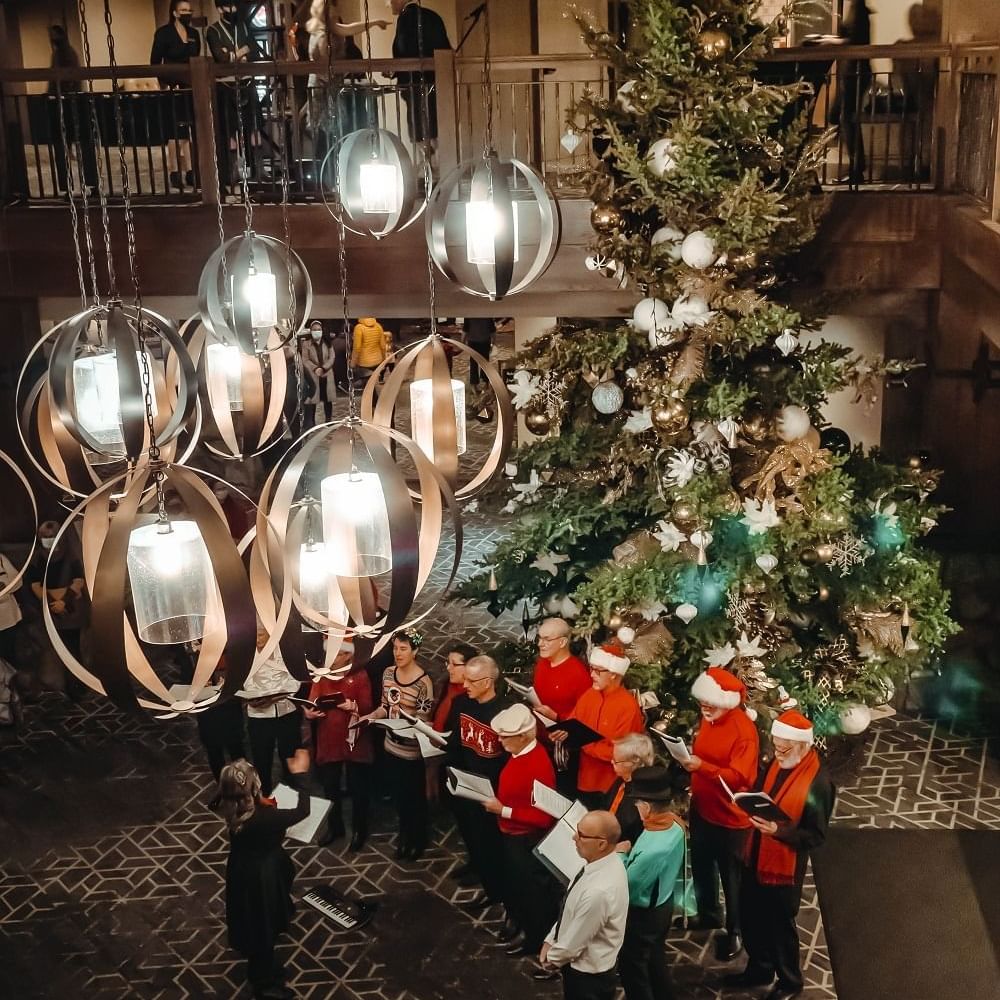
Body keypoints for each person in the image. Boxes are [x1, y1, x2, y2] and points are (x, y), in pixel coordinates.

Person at [724, 711, 835, 1000]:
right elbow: (763, 793)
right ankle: (759, 968)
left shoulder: (819, 783)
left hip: (783, 866)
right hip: (755, 854)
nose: (778, 752)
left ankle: (790, 982)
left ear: (803, 746)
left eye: (784, 748)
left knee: (779, 927)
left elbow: (816, 836)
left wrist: (778, 830)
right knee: (750, 917)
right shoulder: (776, 762)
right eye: (775, 745)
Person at [680, 667, 760, 960]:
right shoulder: (709, 717)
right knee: (702, 867)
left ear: (725, 702)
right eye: (702, 703)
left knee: (732, 879)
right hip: (703, 807)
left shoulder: (743, 733)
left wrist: (702, 767)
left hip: (730, 818)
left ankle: (736, 932)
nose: (704, 709)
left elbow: (741, 778)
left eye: (709, 704)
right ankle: (709, 913)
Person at [219, 751, 311, 1000]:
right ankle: (264, 982)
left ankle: (262, 964)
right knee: (263, 925)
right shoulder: (264, 818)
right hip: (262, 876)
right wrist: (301, 775)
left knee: (254, 919)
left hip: (242, 869)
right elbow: (303, 810)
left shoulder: (230, 804)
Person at [482, 703, 560, 959]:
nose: (500, 739)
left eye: (506, 736)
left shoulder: (538, 765)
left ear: (525, 736)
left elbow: (543, 817)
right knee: (518, 890)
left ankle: (536, 941)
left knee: (533, 896)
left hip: (526, 841)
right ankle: (524, 929)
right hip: (512, 837)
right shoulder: (518, 754)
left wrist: (503, 811)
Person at [537, 810, 630, 999]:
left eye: (581, 834)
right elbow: (571, 909)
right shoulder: (599, 862)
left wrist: (552, 959)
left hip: (588, 977)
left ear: (602, 843)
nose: (574, 837)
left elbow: (575, 941)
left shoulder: (599, 891)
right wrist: (551, 938)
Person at [361, 630, 435, 860]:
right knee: (400, 797)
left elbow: (423, 720)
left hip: (411, 752)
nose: (398, 653)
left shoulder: (424, 683)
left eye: (403, 649)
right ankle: (404, 835)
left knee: (414, 797)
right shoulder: (388, 674)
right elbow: (385, 704)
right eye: (395, 648)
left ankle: (417, 839)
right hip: (390, 747)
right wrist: (373, 716)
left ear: (415, 651)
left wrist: (405, 728)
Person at [444, 654, 511, 910]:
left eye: (471, 681)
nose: (465, 686)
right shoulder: (461, 703)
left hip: (492, 792)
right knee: (470, 835)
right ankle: (478, 870)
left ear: (487, 682)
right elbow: (455, 741)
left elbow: (508, 758)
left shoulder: (504, 711)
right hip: (463, 784)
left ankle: (496, 889)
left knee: (491, 844)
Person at [617, 766, 686, 1000]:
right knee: (655, 960)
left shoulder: (653, 848)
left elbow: (627, 886)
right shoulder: (675, 823)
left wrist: (621, 854)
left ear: (645, 807)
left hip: (645, 913)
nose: (636, 808)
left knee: (633, 968)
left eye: (637, 804)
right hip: (664, 902)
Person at [303, 640, 375, 850]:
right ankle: (335, 828)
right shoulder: (322, 674)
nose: (330, 658)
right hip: (329, 740)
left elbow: (368, 706)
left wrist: (353, 706)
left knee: (358, 788)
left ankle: (360, 830)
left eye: (335, 654)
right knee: (330, 787)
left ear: (347, 656)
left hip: (354, 741)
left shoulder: (360, 676)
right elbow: (312, 700)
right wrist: (309, 712)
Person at [555, 641, 644, 806]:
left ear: (613, 674)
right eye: (591, 669)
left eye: (597, 671)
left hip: (609, 786)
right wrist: (562, 730)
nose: (592, 675)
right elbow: (573, 721)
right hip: (584, 779)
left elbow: (623, 754)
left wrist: (586, 746)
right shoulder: (590, 694)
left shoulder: (628, 708)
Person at [304, 2, 388, 159]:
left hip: (328, 85)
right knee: (329, 129)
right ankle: (330, 170)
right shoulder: (322, 34)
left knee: (331, 129)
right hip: (325, 86)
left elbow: (350, 28)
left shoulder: (323, 30)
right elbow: (324, 62)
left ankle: (331, 169)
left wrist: (374, 23)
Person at [25, 520, 88, 700]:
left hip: (72, 609)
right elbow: (35, 586)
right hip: (52, 611)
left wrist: (65, 600)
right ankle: (70, 686)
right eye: (45, 538)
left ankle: (79, 685)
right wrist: (54, 603)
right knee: (62, 650)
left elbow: (78, 581)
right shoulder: (37, 559)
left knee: (74, 648)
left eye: (51, 537)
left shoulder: (70, 555)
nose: (49, 540)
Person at [206, 1, 263, 189]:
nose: (233, 10)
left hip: (247, 82)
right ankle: (232, 170)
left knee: (254, 125)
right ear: (220, 9)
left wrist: (234, 54)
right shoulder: (213, 31)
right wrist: (241, 52)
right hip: (226, 85)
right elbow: (221, 57)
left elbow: (254, 50)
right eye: (229, 7)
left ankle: (258, 167)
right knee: (230, 130)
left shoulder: (242, 26)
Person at [532, 617, 591, 796]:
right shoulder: (542, 663)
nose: (540, 644)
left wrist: (556, 717)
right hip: (542, 739)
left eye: (547, 639)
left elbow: (585, 719)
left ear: (563, 642)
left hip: (564, 749)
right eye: (539, 638)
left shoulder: (578, 674)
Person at [241, 628, 304, 797]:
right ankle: (265, 797)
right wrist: (259, 698)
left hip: (286, 713)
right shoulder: (247, 654)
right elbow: (246, 682)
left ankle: (293, 793)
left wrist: (273, 697)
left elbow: (295, 680)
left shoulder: (285, 651)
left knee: (289, 755)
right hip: (259, 716)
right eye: (254, 635)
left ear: (271, 632)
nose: (257, 639)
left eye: (260, 635)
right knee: (262, 759)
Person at [150, 0, 201, 189]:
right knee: (175, 134)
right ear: (175, 13)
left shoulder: (194, 34)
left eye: (189, 10)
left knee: (188, 133)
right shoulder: (164, 33)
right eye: (183, 10)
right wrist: (164, 84)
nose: (187, 13)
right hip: (172, 87)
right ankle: (174, 171)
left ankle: (189, 171)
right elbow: (155, 61)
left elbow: (196, 58)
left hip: (189, 86)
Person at [389, 0, 452, 150]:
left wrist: (395, 69)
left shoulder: (405, 18)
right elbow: (445, 48)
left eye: (391, 0)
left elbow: (404, 49)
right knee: (436, 123)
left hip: (414, 82)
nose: (389, 4)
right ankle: (440, 165)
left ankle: (426, 165)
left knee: (418, 126)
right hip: (437, 80)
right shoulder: (432, 16)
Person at [46, 25, 99, 196]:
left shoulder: (64, 53)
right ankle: (80, 185)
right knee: (73, 144)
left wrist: (53, 95)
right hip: (68, 102)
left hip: (68, 102)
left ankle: (77, 185)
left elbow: (63, 79)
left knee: (76, 144)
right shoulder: (63, 53)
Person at [829, 0, 873, 184]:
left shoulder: (858, 10)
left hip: (855, 72)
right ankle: (856, 167)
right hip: (854, 71)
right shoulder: (857, 8)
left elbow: (853, 40)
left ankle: (857, 167)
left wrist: (831, 41)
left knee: (845, 117)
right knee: (841, 116)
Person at [605, 732, 656, 848]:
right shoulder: (621, 780)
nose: (611, 762)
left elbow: (630, 831)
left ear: (630, 764)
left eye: (615, 760)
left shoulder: (641, 796)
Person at [301, 321, 335, 429]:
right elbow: (305, 359)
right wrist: (315, 368)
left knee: (327, 399)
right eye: (314, 329)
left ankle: (328, 420)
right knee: (313, 398)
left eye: (318, 329)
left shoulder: (327, 342)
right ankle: (312, 421)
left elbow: (332, 357)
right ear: (311, 331)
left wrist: (324, 368)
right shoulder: (306, 344)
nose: (317, 331)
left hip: (326, 373)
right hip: (313, 374)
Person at [0, 552, 24, 667]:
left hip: (9, 619)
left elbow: (17, 581)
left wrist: (4, 585)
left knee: (11, 656)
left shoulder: (1, 558)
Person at [463, 317, 496, 386]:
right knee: (485, 363)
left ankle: (475, 384)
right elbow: (492, 330)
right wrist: (492, 343)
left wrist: (463, 342)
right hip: (484, 340)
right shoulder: (487, 314)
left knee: (474, 364)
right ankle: (484, 382)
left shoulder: (469, 314)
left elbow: (465, 329)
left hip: (474, 341)